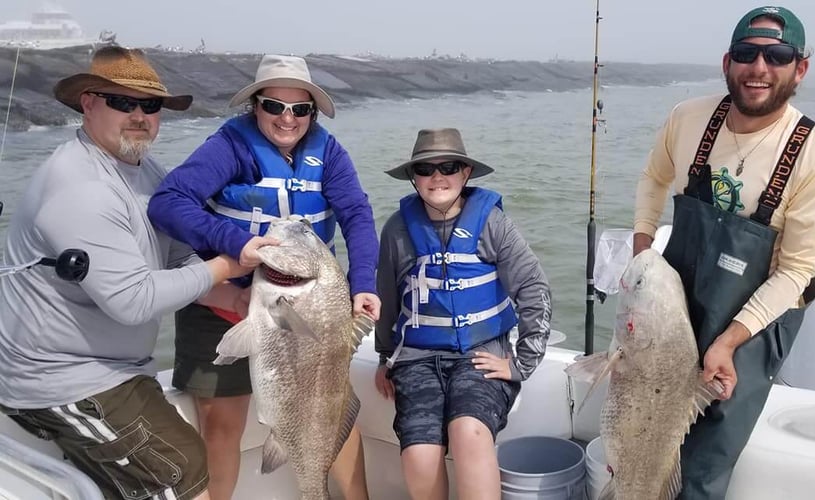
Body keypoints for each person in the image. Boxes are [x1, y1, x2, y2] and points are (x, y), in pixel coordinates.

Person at [0, 46, 252, 500]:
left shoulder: (147, 172)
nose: (139, 115)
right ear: (88, 103)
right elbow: (133, 300)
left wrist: (232, 297)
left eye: (150, 105)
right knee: (179, 470)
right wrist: (230, 264)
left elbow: (176, 258)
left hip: (117, 368)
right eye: (122, 102)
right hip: (58, 377)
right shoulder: (80, 187)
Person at [633, 6, 815, 500]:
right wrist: (642, 253)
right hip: (679, 298)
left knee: (703, 466)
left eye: (777, 55)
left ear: (800, 68)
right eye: (748, 54)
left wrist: (727, 343)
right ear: (727, 62)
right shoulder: (688, 118)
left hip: (755, 324)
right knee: (641, 433)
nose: (759, 68)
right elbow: (654, 178)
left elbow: (796, 273)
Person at [147, 54, 379, 500]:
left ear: (313, 112)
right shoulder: (229, 147)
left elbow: (356, 214)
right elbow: (168, 202)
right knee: (221, 425)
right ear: (255, 106)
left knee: (330, 410)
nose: (287, 119)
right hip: (221, 304)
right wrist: (233, 243)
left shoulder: (328, 152)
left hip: (312, 306)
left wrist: (364, 282)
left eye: (300, 109)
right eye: (274, 106)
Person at [374, 128, 552, 500]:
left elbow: (534, 288)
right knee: (420, 455)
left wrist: (522, 363)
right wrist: (382, 355)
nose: (437, 177)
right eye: (424, 169)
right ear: (413, 177)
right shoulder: (396, 230)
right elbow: (386, 299)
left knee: (469, 432)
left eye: (449, 166)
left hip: (482, 355)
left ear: (466, 173)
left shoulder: (493, 224)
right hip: (418, 360)